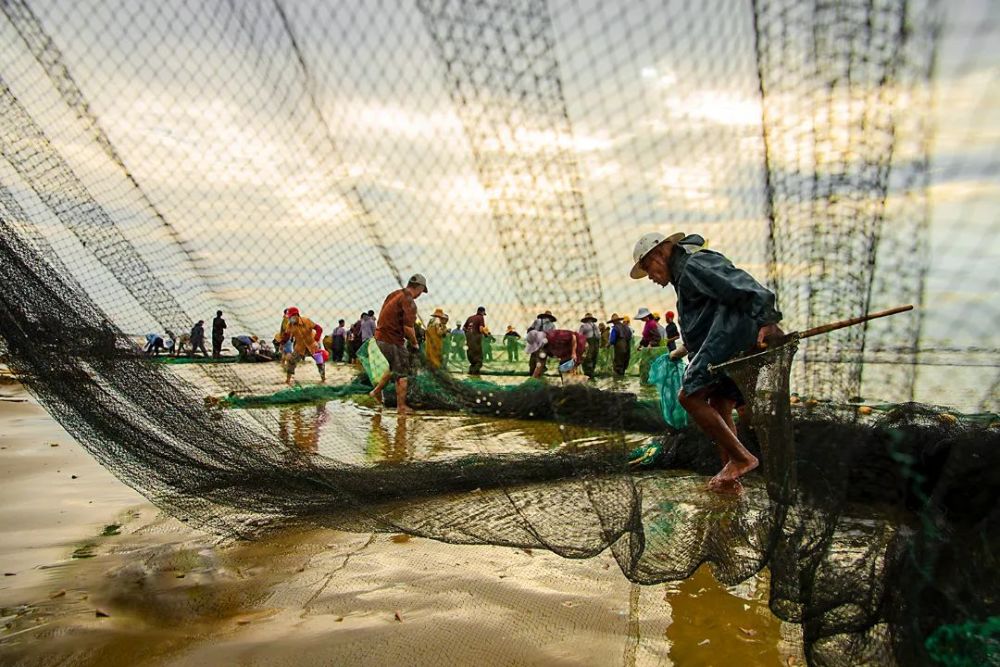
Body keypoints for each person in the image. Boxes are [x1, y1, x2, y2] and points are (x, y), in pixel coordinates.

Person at [631, 231, 783, 493]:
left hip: (728, 338)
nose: (652, 278)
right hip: (721, 339)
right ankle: (730, 477)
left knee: (688, 396)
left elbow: (741, 284)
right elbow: (701, 317)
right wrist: (686, 349)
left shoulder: (694, 264)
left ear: (659, 254)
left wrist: (768, 320)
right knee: (720, 404)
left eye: (649, 270)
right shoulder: (683, 274)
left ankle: (742, 458)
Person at [369, 274, 428, 412]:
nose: (420, 294)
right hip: (391, 340)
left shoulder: (395, 294)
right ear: (419, 287)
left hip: (380, 337)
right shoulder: (410, 302)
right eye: (422, 291)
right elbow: (408, 328)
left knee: (393, 368)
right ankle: (401, 407)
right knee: (403, 374)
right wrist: (415, 344)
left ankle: (376, 391)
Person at [280, 307, 324, 384]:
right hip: (299, 347)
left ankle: (323, 378)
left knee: (320, 362)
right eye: (289, 317)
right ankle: (288, 380)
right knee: (291, 361)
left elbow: (319, 329)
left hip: (312, 345)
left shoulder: (306, 321)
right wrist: (282, 344)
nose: (290, 319)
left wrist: (316, 341)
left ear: (296, 315)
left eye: (291, 317)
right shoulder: (289, 325)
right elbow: (286, 336)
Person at [527, 310, 557, 375]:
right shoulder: (552, 325)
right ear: (550, 317)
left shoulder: (537, 321)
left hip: (535, 343)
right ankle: (539, 372)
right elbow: (553, 336)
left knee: (533, 359)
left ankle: (532, 372)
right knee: (541, 358)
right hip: (544, 343)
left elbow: (530, 330)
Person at [463, 306, 487, 375]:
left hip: (468, 342)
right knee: (479, 361)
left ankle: (471, 375)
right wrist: (486, 334)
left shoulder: (470, 318)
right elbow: (481, 329)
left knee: (472, 362)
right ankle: (475, 376)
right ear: (482, 312)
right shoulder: (480, 317)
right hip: (476, 342)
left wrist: (469, 334)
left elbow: (464, 328)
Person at [578, 313, 600, 377]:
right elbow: (580, 336)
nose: (590, 320)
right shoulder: (587, 326)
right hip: (591, 343)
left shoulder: (593, 326)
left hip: (592, 343)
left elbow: (598, 335)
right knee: (590, 357)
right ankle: (589, 373)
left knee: (591, 357)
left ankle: (590, 372)